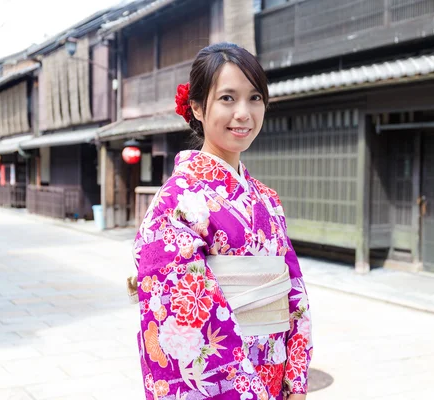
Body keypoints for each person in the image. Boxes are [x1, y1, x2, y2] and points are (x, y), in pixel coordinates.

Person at [132, 42, 312, 400]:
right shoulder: (176, 202)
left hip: (276, 381)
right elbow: (183, 317)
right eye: (228, 98)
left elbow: (294, 292)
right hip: (226, 386)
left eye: (255, 98)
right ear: (197, 107)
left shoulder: (268, 200)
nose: (243, 113)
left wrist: (296, 382)